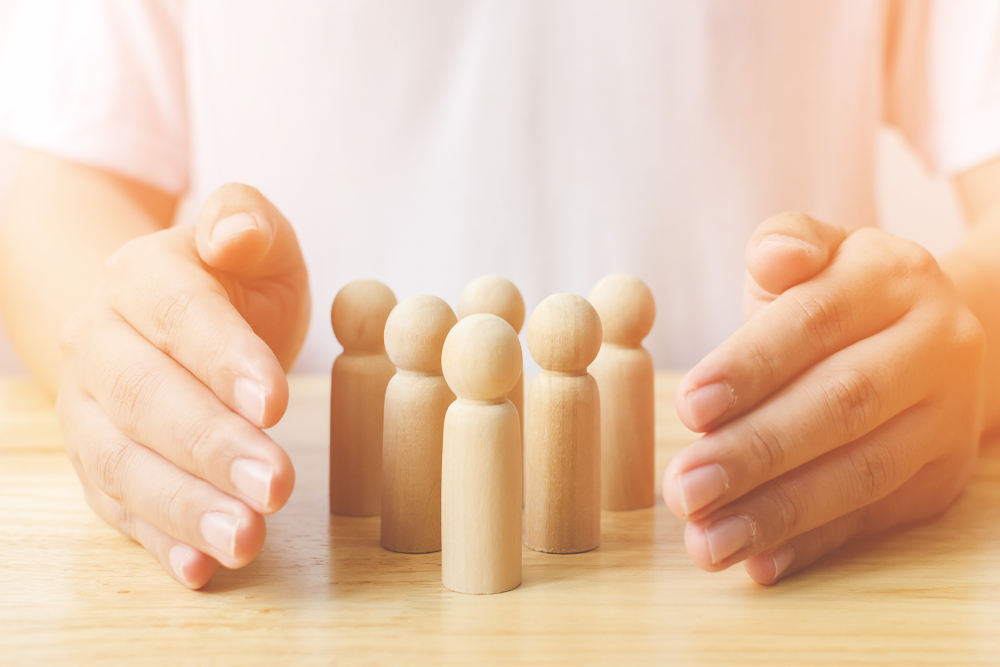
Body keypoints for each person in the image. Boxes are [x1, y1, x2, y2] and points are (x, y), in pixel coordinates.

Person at [1, 0, 999, 590]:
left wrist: (970, 327)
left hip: (744, 515)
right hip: (311, 537)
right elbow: (63, 168)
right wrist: (132, 344)